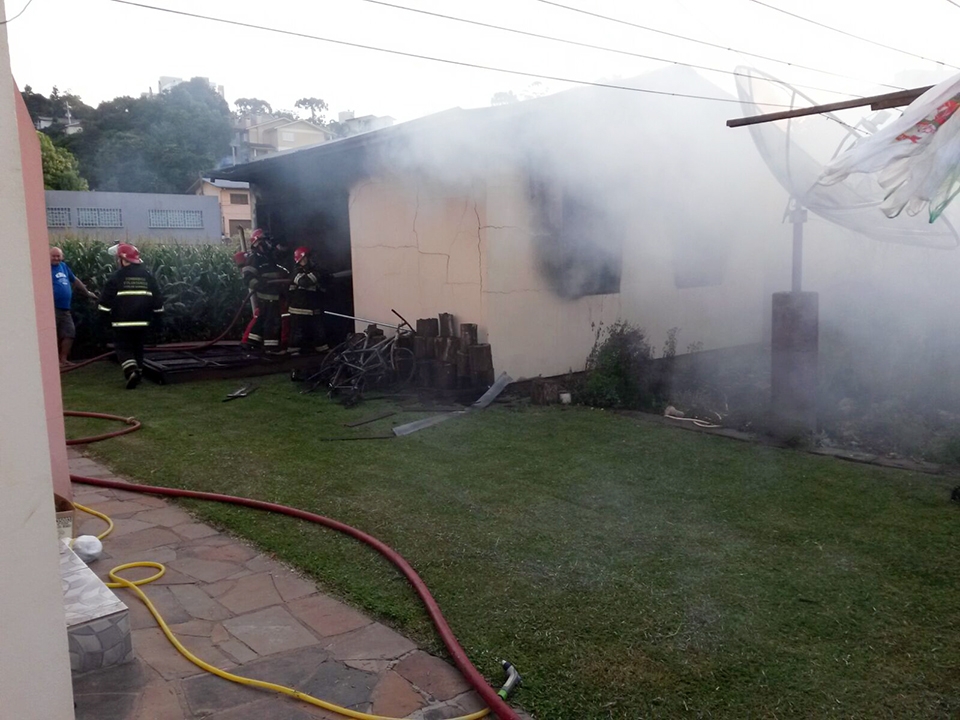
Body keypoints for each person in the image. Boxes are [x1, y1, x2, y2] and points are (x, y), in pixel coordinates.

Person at [98, 243, 164, 389]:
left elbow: (105, 302)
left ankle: (131, 371)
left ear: (123, 259)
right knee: (138, 347)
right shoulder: (147, 276)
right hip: (143, 322)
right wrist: (158, 320)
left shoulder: (117, 277)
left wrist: (103, 320)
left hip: (122, 322)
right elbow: (158, 299)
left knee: (123, 347)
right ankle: (138, 374)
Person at [240, 229, 288, 353]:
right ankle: (271, 348)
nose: (267, 244)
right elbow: (247, 277)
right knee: (272, 321)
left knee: (262, 318)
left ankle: (252, 342)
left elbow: (282, 254)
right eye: (264, 241)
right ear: (257, 243)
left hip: (274, 294)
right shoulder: (255, 258)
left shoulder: (268, 257)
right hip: (266, 294)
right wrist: (258, 284)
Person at [50, 246, 98, 366]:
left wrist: (87, 293)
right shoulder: (45, 268)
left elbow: (74, 280)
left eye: (58, 256)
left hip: (65, 308)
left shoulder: (64, 267)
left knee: (69, 332)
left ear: (62, 257)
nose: (56, 258)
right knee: (52, 335)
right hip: (52, 308)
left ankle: (63, 359)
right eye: (53, 256)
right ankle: (53, 362)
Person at [287, 246, 328, 355]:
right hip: (299, 308)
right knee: (298, 331)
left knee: (318, 330)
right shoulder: (296, 272)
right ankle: (294, 351)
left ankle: (322, 349)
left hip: (313, 307)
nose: (308, 260)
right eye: (305, 258)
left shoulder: (313, 271)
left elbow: (322, 287)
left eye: (308, 257)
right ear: (299, 260)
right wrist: (318, 274)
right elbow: (304, 282)